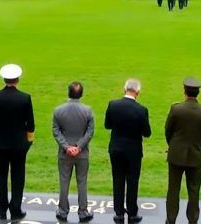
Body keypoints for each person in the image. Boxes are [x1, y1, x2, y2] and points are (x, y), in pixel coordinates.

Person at [0, 64, 35, 221]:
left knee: (0, 176)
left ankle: (2, 208)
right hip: (19, 145)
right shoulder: (25, 98)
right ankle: (16, 208)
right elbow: (30, 124)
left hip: (0, 144)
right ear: (17, 79)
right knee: (18, 177)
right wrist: (28, 142)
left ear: (4, 79)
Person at [165, 78, 201, 224]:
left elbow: (168, 131)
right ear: (198, 93)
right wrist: (197, 145)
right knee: (194, 190)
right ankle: (193, 220)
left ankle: (171, 220)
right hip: (195, 155)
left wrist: (173, 146)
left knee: (173, 190)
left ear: (185, 92)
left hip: (176, 155)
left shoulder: (176, 109)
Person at [104, 79, 151, 223]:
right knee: (132, 182)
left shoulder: (113, 105)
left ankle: (118, 213)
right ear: (137, 92)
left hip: (116, 149)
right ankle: (132, 213)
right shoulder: (142, 110)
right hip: (133, 151)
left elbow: (107, 125)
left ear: (124, 89)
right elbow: (147, 133)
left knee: (117, 180)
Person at [52, 82, 95, 222]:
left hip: (65, 154)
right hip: (82, 153)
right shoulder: (87, 110)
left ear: (68, 93)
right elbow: (90, 132)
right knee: (82, 182)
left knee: (64, 182)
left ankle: (63, 211)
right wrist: (79, 146)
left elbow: (56, 131)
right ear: (81, 94)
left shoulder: (58, 110)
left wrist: (67, 147)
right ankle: (83, 212)